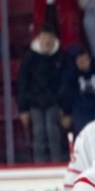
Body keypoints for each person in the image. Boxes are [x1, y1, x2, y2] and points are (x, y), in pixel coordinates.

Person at [17, 28, 66, 163]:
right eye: (44, 36)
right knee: (39, 134)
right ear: (39, 38)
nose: (46, 40)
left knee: (53, 133)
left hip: (53, 103)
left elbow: (63, 83)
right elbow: (22, 83)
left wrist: (63, 106)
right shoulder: (29, 57)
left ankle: (57, 165)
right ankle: (40, 166)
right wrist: (23, 108)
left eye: (49, 36)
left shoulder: (59, 56)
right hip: (35, 103)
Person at [59, 44, 95, 137]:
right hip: (81, 108)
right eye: (80, 61)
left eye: (85, 60)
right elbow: (67, 94)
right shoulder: (71, 74)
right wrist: (66, 112)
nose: (83, 63)